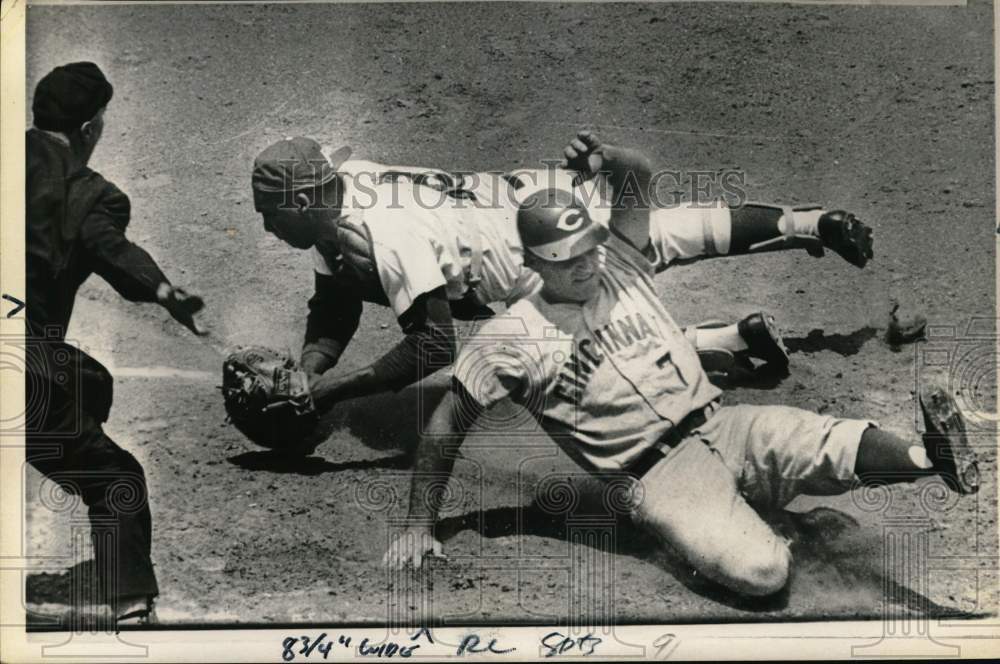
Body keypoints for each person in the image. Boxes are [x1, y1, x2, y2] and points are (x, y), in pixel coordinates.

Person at [380, 133, 978, 597]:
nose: (587, 267)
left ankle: (934, 459)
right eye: (568, 261)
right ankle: (774, 525)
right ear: (533, 263)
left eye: (588, 250)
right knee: (762, 573)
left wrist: (605, 159)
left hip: (724, 425)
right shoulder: (506, 339)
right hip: (658, 480)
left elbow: (638, 177)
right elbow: (445, 426)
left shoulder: (621, 264)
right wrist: (418, 525)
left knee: (822, 441)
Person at [249, 134, 872, 413]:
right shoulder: (341, 197)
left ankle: (727, 339)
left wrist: (328, 396)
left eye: (270, 214)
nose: (266, 227)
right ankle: (809, 225)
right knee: (664, 234)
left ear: (303, 204)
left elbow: (434, 344)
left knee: (579, 367)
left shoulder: (386, 235)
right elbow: (335, 303)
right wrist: (310, 368)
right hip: (532, 193)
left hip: (526, 261)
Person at [25, 62, 206, 625]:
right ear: (88, 129)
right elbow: (111, 251)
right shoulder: (88, 195)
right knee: (117, 480)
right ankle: (129, 605)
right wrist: (163, 289)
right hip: (16, 366)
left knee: (88, 380)